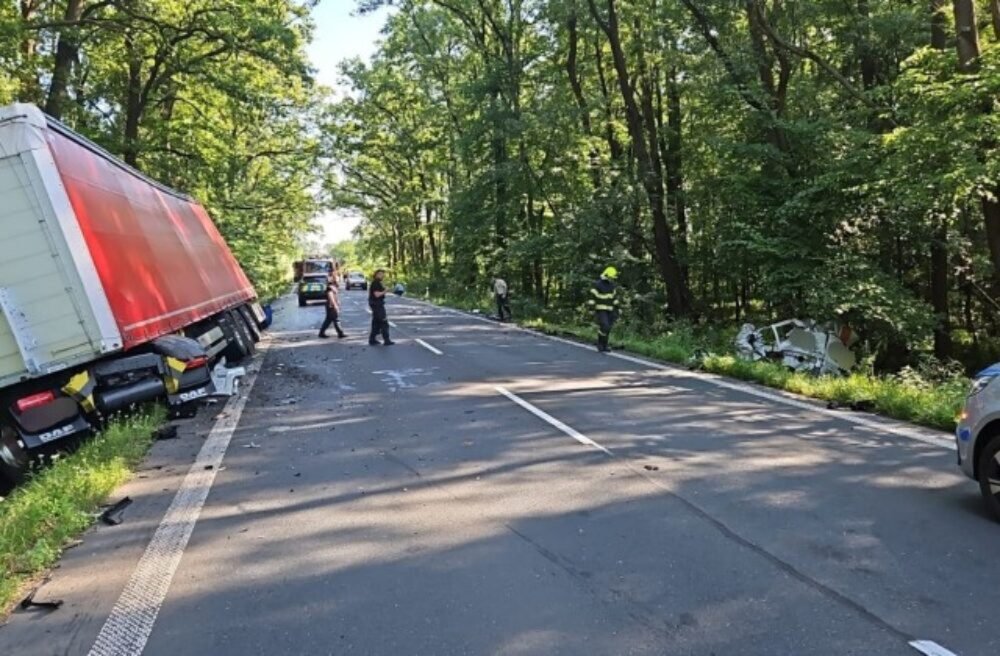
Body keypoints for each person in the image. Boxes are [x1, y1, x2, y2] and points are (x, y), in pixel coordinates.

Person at [589, 266, 620, 353]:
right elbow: (592, 298)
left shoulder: (612, 286)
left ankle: (604, 345)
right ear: (606, 275)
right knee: (604, 326)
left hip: (610, 310)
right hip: (601, 309)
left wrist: (617, 309)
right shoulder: (598, 284)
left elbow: (614, 298)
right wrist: (591, 309)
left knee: (608, 328)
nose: (612, 279)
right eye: (610, 277)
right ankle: (600, 344)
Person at [368, 269, 395, 346]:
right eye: (380, 274)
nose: (382, 276)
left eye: (383, 274)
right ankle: (386, 340)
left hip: (376, 304)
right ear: (376, 275)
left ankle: (372, 339)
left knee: (376, 323)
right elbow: (377, 295)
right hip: (377, 305)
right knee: (384, 322)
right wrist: (385, 291)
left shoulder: (378, 283)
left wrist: (388, 290)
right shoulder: (376, 283)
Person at [318, 273, 346, 339]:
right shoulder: (330, 287)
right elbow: (330, 296)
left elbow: (335, 296)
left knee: (328, 320)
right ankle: (340, 333)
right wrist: (335, 305)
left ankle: (321, 333)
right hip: (331, 305)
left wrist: (337, 301)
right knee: (336, 319)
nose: (337, 279)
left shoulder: (333, 286)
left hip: (330, 305)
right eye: (336, 278)